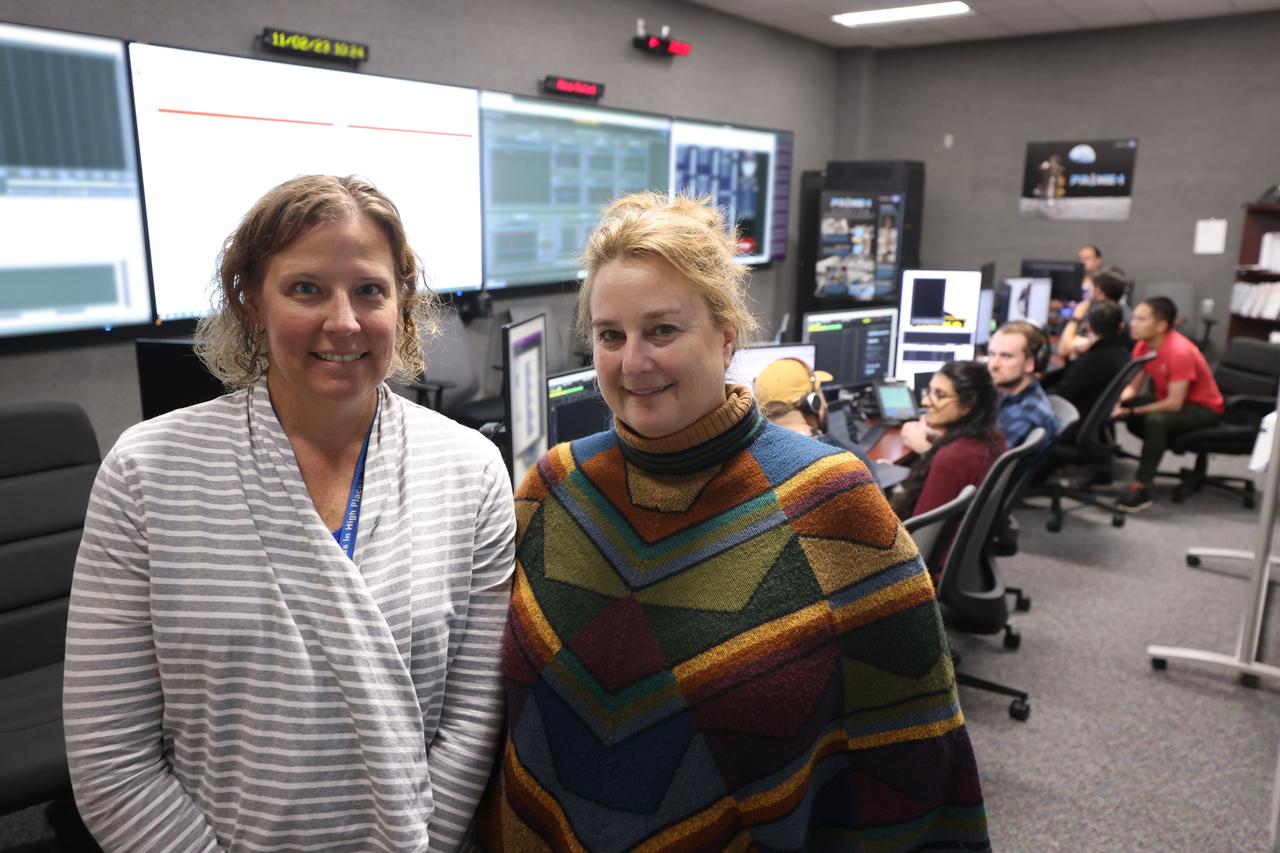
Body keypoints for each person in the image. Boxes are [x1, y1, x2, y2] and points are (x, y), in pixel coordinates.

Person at [478, 193, 989, 850]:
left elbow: (913, 757)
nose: (633, 361)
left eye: (662, 329)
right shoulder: (555, 485)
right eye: (611, 335)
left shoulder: (829, 500)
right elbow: (499, 721)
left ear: (725, 338)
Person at [64, 175, 517, 851]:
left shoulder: (470, 470)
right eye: (306, 288)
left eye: (370, 290)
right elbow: (112, 753)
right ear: (252, 301)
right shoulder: (147, 472)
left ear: (403, 305)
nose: (343, 320)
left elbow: (472, 715)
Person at [1113, 296, 1224, 512]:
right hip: (1177, 404)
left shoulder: (1179, 352)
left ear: (1161, 325)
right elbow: (1133, 388)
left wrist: (1132, 410)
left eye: (1141, 319)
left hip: (1204, 409)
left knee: (1154, 420)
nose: (1132, 323)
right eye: (1134, 318)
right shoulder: (1144, 345)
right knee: (1135, 411)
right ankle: (1155, 448)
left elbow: (1174, 404)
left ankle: (1141, 487)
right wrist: (1116, 402)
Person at [891, 361, 1006, 521]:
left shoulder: (950, 459)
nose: (925, 402)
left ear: (967, 404)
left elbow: (920, 528)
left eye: (939, 395)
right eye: (929, 391)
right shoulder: (993, 437)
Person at [752, 356, 882, 484]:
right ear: (813, 402)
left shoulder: (755, 464)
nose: (825, 403)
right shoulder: (850, 460)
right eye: (821, 393)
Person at [1049, 299, 1131, 424]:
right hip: (1094, 420)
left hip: (1073, 422)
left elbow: (1060, 395)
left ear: (1088, 326)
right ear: (1121, 327)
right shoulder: (1123, 354)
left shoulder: (1094, 360)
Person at [988, 320, 1060, 449]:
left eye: (1006, 356)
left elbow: (983, 462)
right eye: (992, 354)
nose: (993, 365)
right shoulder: (1006, 394)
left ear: (1030, 363)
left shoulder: (1027, 415)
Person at [1058, 264, 1129, 359]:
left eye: (1089, 290)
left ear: (1098, 292)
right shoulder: (1122, 314)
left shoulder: (1104, 317)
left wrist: (1076, 316)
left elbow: (1063, 350)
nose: (1087, 295)